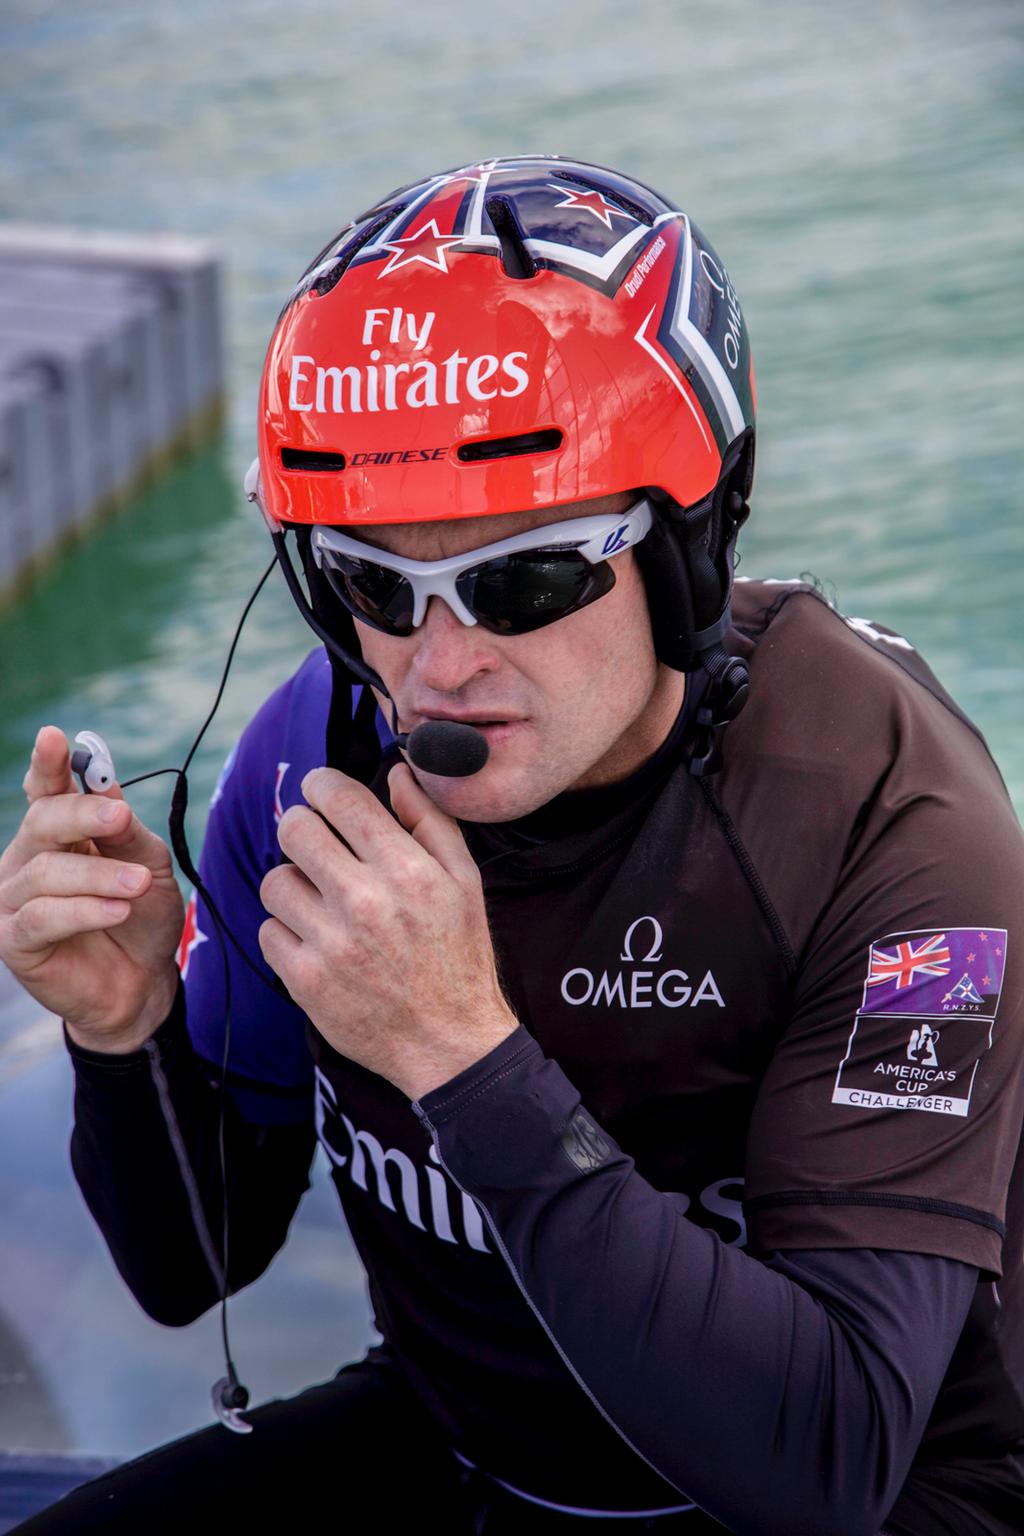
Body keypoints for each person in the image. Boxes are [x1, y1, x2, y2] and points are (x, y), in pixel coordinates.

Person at [0, 155, 1022, 1536]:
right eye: (372, 582)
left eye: (520, 578)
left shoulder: (900, 827)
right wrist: (127, 1033)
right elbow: (197, 1267)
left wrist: (461, 1056)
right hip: (470, 1442)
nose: (439, 664)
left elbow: (825, 1464)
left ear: (683, 550)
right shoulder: (309, 761)